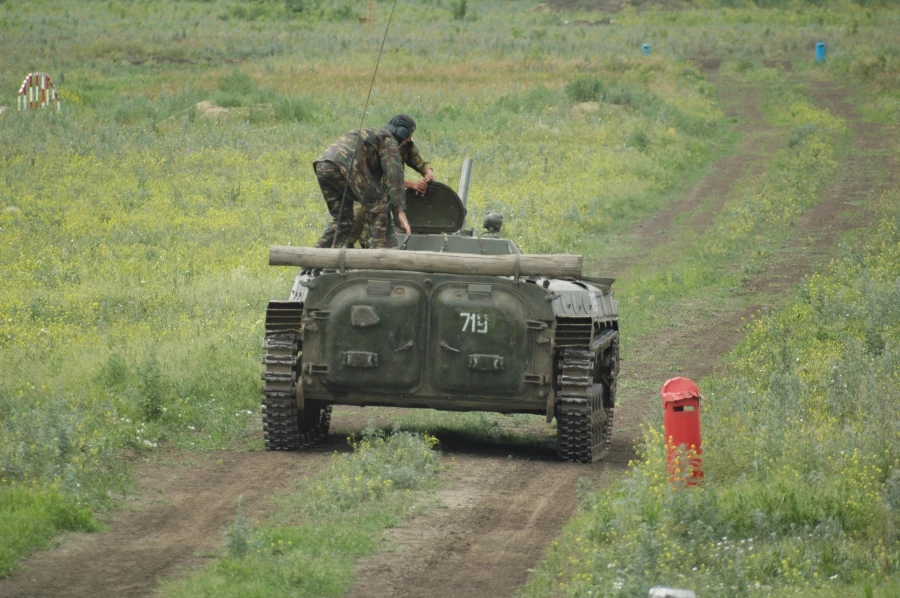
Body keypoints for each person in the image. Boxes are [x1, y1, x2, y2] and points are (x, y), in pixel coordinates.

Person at [312, 115, 414, 249]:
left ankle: (314, 261)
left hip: (323, 166)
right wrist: (400, 209)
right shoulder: (387, 139)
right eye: (408, 137)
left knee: (343, 221)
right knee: (379, 206)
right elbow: (394, 173)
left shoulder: (373, 134)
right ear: (402, 133)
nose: (408, 141)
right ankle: (379, 259)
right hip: (346, 165)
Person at [345, 114, 434, 248]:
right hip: (371, 191)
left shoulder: (406, 144)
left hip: (392, 194)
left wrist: (428, 171)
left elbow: (417, 160)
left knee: (388, 228)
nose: (410, 139)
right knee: (361, 221)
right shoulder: (382, 145)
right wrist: (411, 184)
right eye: (408, 135)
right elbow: (386, 176)